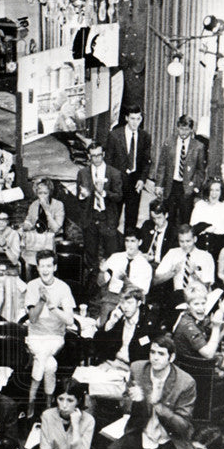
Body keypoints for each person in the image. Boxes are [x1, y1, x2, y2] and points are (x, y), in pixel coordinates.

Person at [24, 250, 76, 417]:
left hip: (55, 337)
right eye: (41, 266)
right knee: (50, 364)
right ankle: (47, 405)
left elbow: (69, 320)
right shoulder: (32, 286)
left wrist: (53, 307)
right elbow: (32, 319)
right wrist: (41, 300)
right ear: (37, 268)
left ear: (55, 267)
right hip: (35, 336)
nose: (45, 270)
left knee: (42, 356)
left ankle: (30, 401)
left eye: (48, 266)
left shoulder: (63, 288)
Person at [104, 107, 152, 231]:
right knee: (113, 220)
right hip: (117, 183)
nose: (135, 122)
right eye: (132, 119)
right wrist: (111, 183)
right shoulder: (114, 135)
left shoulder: (145, 136)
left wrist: (142, 179)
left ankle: (128, 248)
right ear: (126, 118)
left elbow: (147, 162)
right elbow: (108, 161)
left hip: (135, 182)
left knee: (131, 220)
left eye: (138, 119)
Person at [77, 142, 124, 270]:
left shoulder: (114, 173)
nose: (96, 159)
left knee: (111, 254)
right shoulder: (82, 173)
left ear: (103, 154)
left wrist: (103, 193)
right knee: (91, 254)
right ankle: (93, 282)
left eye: (99, 155)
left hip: (107, 218)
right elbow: (79, 198)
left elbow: (119, 196)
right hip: (90, 218)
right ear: (88, 156)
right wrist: (83, 195)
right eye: (93, 156)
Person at [154, 115, 206, 225]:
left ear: (191, 130)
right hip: (171, 185)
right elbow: (162, 164)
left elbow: (200, 170)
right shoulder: (169, 142)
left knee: (185, 218)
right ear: (177, 127)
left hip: (186, 188)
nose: (183, 132)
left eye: (187, 129)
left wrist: (194, 186)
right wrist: (158, 184)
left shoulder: (198, 147)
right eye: (181, 129)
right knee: (169, 217)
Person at [152, 224, 216, 312]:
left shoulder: (206, 257)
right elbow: (155, 280)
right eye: (181, 241)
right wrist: (171, 273)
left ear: (195, 239)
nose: (185, 245)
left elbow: (206, 287)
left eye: (188, 241)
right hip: (179, 295)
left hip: (198, 296)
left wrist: (194, 274)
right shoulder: (172, 253)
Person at [189, 165, 224, 258]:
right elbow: (193, 225)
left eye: (217, 190)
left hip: (218, 247)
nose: (214, 194)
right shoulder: (200, 205)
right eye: (211, 190)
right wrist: (206, 227)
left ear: (222, 191)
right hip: (200, 245)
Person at [97, 228, 153, 309]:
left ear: (140, 242)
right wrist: (102, 272)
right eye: (127, 241)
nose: (129, 245)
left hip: (132, 300)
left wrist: (124, 279)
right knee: (106, 307)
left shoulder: (145, 266)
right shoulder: (115, 257)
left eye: (133, 241)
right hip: (112, 298)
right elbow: (100, 283)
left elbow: (141, 293)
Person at [21, 178, 65, 272]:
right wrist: (26, 225)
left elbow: (56, 228)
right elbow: (28, 220)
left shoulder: (58, 205)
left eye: (45, 193)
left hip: (52, 240)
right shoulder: (34, 204)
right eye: (40, 193)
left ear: (50, 192)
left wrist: (47, 210)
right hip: (35, 241)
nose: (42, 196)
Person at [138, 198, 177, 269]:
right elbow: (139, 245)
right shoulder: (147, 225)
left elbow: (172, 260)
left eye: (159, 218)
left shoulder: (173, 232)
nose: (156, 221)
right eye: (153, 218)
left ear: (166, 215)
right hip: (144, 264)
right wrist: (141, 254)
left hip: (161, 266)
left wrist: (154, 259)